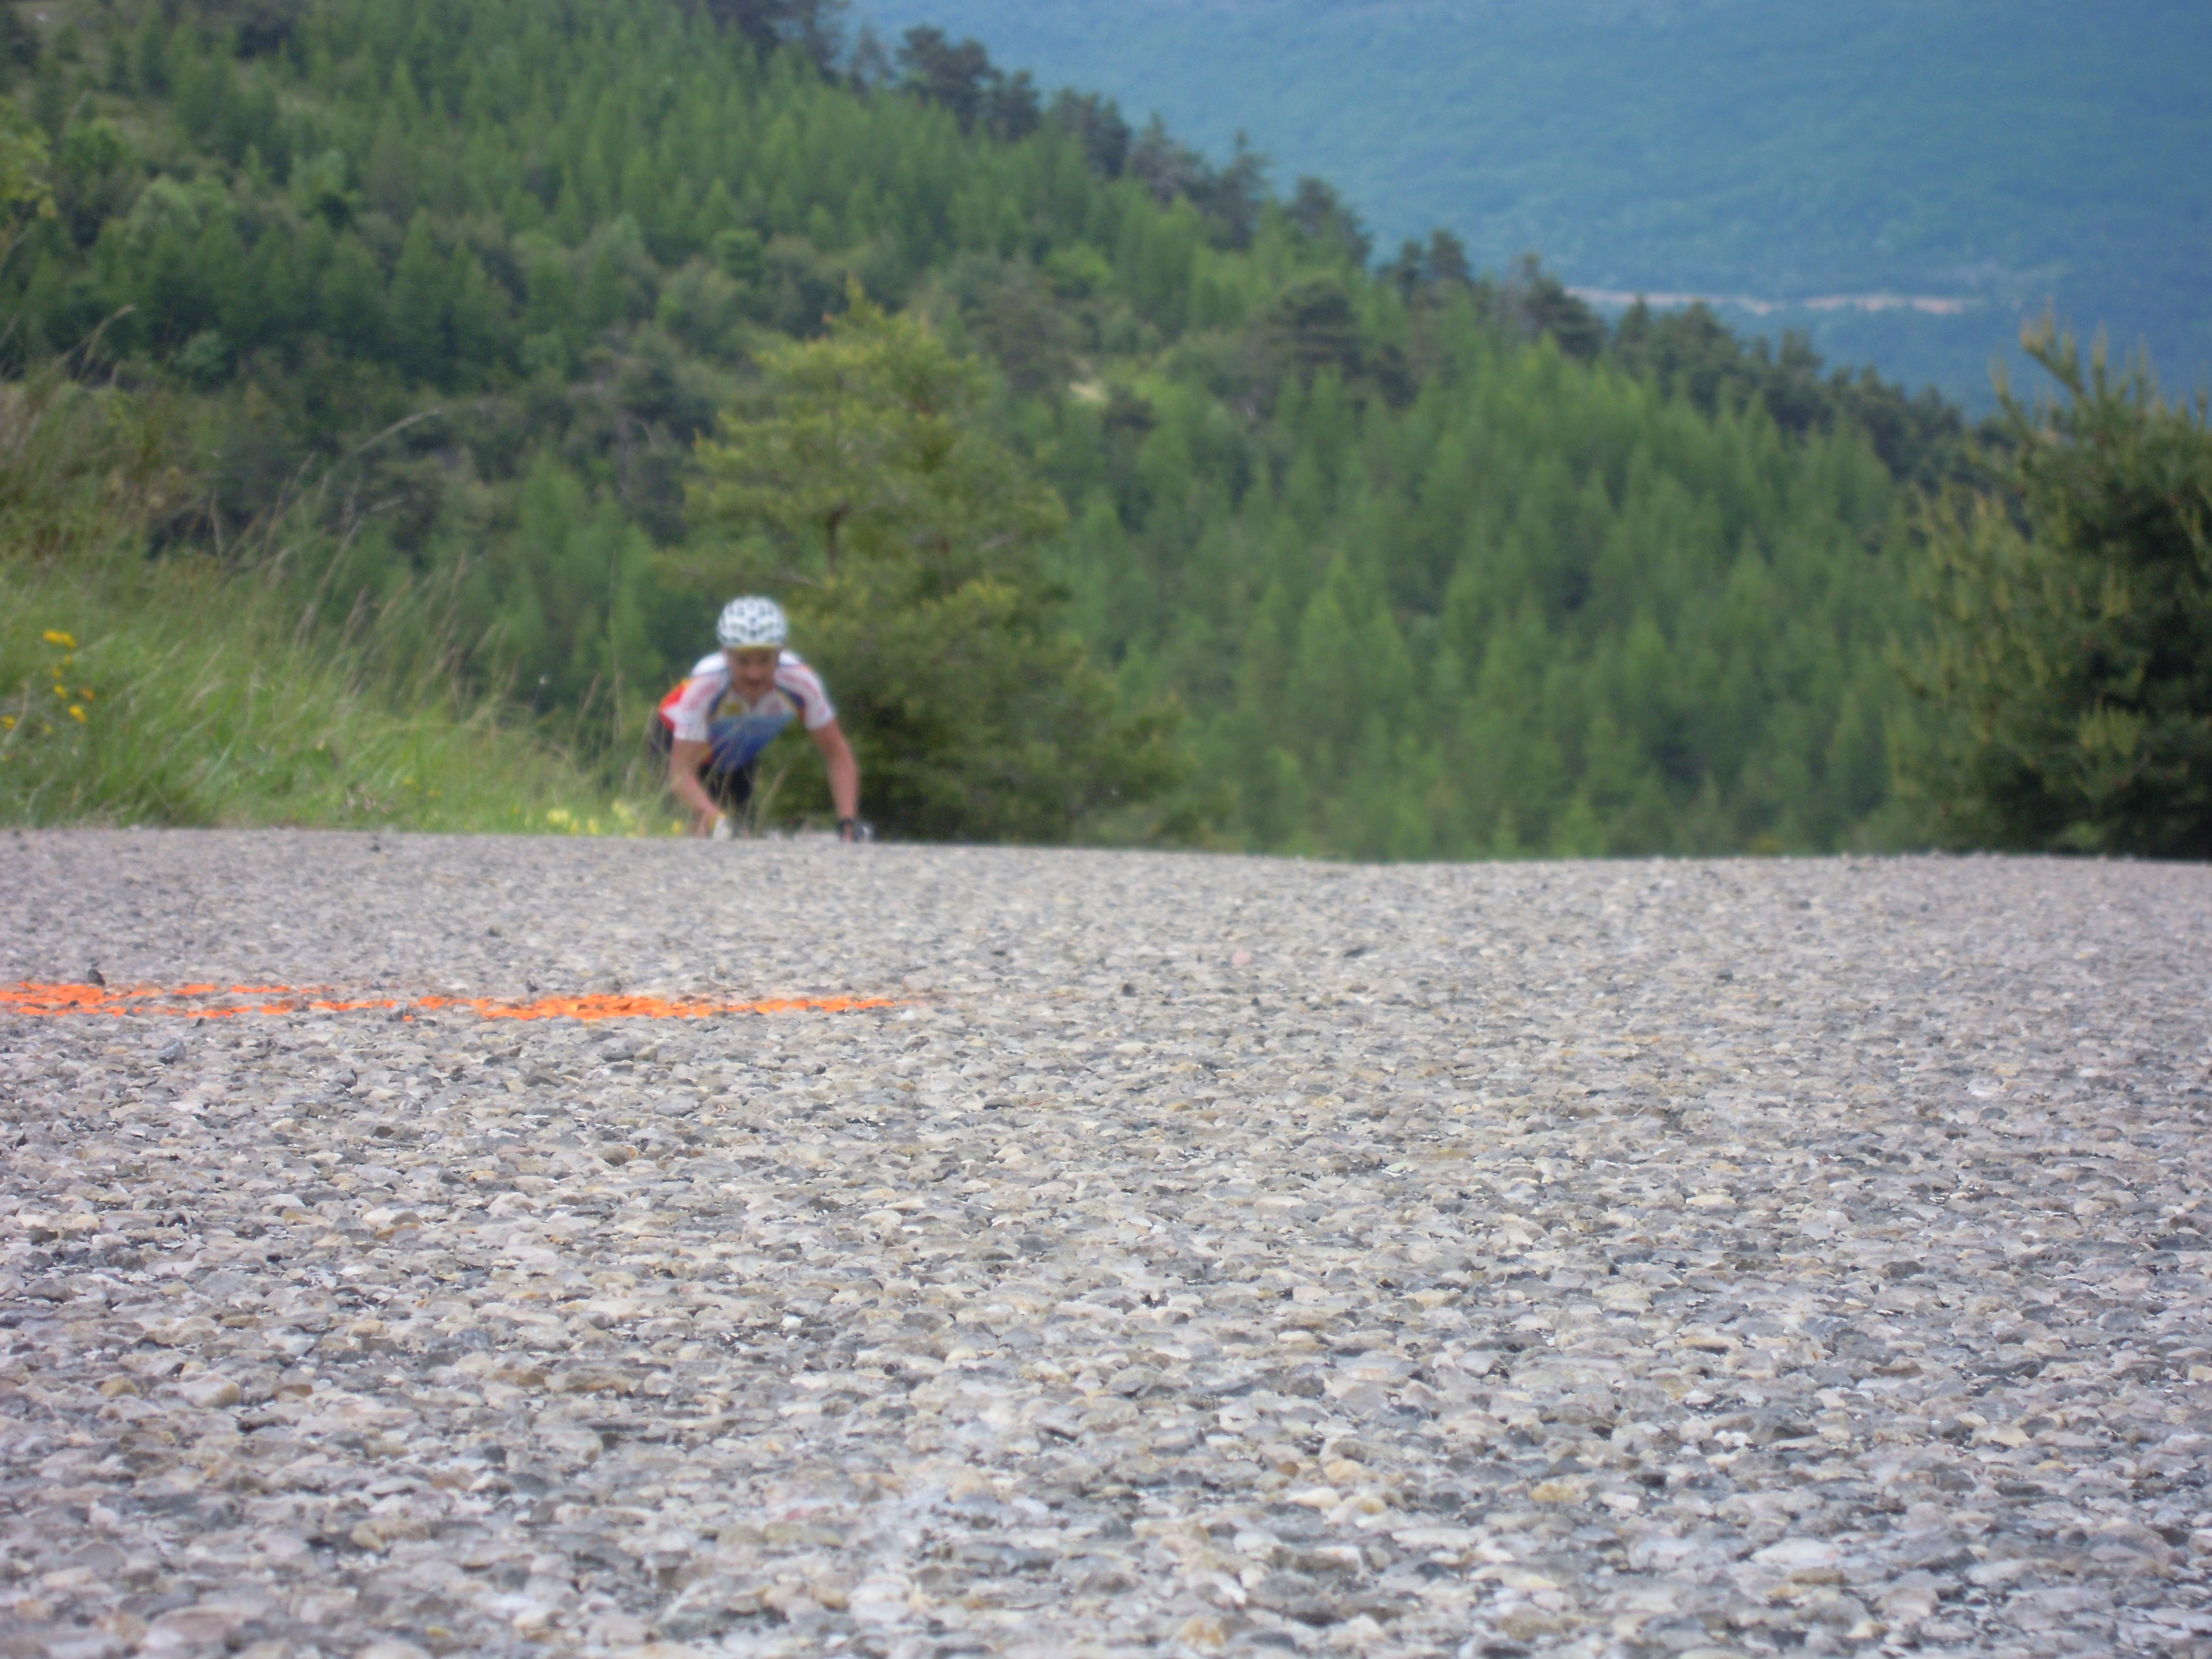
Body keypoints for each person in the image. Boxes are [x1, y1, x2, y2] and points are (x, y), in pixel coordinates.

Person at [649, 596, 864, 841]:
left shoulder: (801, 682)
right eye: (743, 661)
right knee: (704, 826)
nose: (754, 673)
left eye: (765, 660)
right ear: (725, 655)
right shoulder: (706, 685)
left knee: (744, 836)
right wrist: (716, 820)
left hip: (737, 749)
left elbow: (837, 753)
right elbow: (681, 774)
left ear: (780, 654)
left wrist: (847, 821)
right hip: (676, 740)